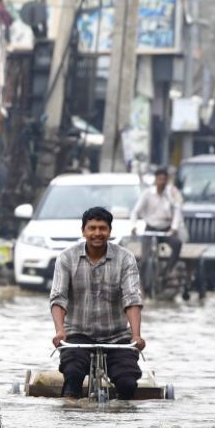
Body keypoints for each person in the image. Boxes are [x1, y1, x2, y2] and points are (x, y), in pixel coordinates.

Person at [49, 206, 146, 404]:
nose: (97, 234)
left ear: (109, 231)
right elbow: (58, 297)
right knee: (73, 375)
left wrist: (136, 335)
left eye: (102, 228)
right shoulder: (66, 258)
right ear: (83, 231)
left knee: (128, 383)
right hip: (77, 334)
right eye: (92, 228)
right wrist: (60, 332)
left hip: (117, 335)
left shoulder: (125, 258)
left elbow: (132, 298)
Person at [130, 166, 183, 263]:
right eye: (160, 179)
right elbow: (135, 211)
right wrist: (134, 226)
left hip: (166, 230)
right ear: (156, 180)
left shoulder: (171, 193)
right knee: (145, 258)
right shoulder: (147, 194)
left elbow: (177, 210)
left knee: (177, 244)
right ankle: (143, 277)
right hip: (150, 229)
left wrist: (174, 228)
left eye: (164, 180)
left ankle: (166, 272)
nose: (162, 182)